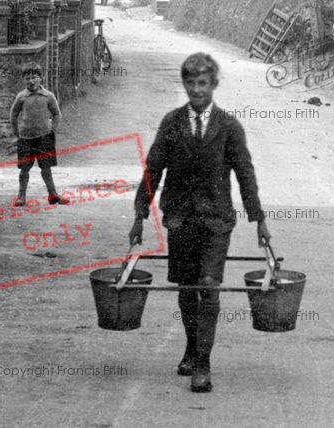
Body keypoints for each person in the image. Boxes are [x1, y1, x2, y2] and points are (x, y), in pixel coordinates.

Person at [129, 53, 270, 393]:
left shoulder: (229, 127)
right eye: (190, 83)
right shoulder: (171, 123)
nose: (196, 90)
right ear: (185, 85)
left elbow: (245, 173)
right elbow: (154, 169)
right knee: (187, 288)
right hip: (179, 219)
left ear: (214, 85)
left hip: (216, 220)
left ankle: (203, 363)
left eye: (202, 83)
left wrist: (259, 219)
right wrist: (140, 213)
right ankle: (192, 347)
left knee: (208, 285)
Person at [9, 62, 69, 207]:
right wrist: (17, 133)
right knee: (24, 169)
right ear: (23, 80)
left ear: (40, 78)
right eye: (27, 78)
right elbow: (13, 114)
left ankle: (53, 194)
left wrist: (52, 130)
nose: (31, 81)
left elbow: (56, 114)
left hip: (44, 138)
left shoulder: (48, 96)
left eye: (34, 77)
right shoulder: (21, 97)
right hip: (26, 138)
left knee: (46, 168)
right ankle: (21, 196)